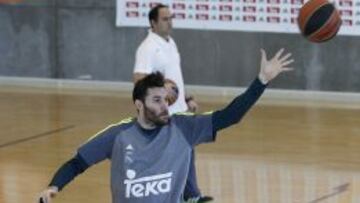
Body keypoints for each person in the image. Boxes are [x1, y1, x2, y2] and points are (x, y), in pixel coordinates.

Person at [38, 48, 294, 203]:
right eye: (157, 100)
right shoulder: (118, 136)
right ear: (139, 104)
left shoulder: (183, 127)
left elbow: (231, 116)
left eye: (167, 99)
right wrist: (54, 186)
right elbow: (77, 163)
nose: (165, 105)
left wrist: (261, 80)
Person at [132, 4, 205, 202]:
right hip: (165, 115)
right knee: (174, 157)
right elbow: (139, 80)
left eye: (171, 17)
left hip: (180, 111)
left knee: (187, 152)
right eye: (165, 19)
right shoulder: (148, 48)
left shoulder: (169, 42)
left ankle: (192, 195)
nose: (170, 22)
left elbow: (174, 78)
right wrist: (157, 99)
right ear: (153, 23)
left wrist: (186, 97)